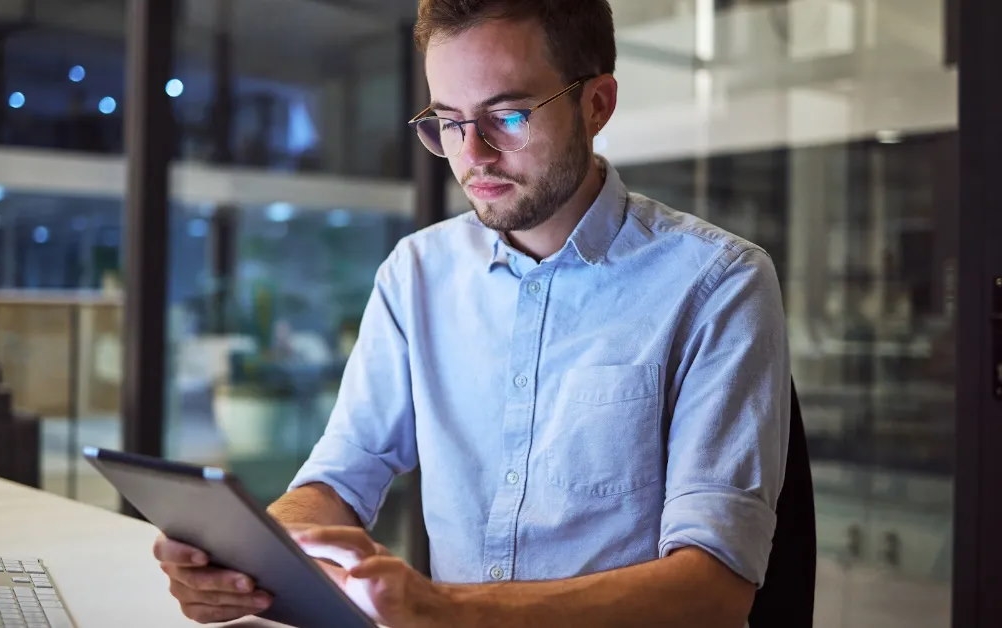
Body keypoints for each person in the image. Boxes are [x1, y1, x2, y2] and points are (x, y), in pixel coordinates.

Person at [155, 1, 791, 626]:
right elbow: (339, 478)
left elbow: (714, 590)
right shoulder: (417, 273)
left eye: (508, 116)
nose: (474, 154)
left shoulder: (717, 282)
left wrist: (447, 609)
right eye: (449, 121)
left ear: (596, 105)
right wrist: (246, 562)